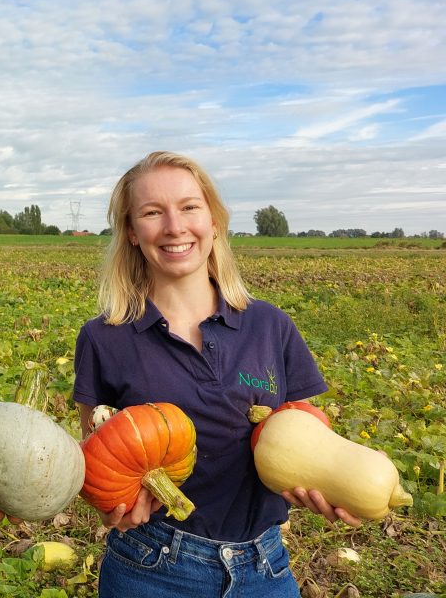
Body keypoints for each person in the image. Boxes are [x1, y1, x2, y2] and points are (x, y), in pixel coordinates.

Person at [72, 151, 361, 598]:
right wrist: (117, 506)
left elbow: (305, 433)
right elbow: (101, 461)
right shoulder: (103, 339)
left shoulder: (270, 325)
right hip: (152, 568)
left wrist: (320, 483)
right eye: (152, 212)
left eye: (189, 207)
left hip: (265, 567)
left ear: (213, 219)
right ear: (131, 231)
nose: (174, 227)